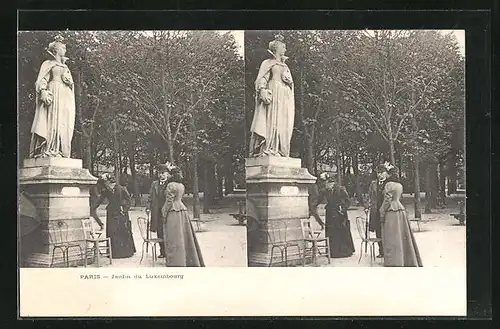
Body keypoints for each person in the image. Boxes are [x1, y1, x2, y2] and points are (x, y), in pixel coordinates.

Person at [29, 35, 76, 158]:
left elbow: (70, 83)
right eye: (63, 48)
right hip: (53, 93)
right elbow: (42, 80)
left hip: (65, 97)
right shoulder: (48, 64)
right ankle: (49, 148)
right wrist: (43, 91)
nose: (65, 50)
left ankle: (60, 149)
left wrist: (70, 83)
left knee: (63, 123)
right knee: (52, 121)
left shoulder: (66, 67)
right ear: (56, 50)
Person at [248, 34, 295, 157]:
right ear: (277, 48)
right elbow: (262, 78)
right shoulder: (268, 63)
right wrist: (262, 90)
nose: (285, 50)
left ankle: (279, 149)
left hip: (284, 96)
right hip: (273, 93)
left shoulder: (285, 66)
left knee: (282, 122)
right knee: (271, 120)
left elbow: (290, 82)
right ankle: (268, 147)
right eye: (283, 47)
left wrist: (289, 82)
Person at [379, 163, 423, 267]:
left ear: (389, 174)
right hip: (400, 211)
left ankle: (394, 261)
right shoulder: (399, 185)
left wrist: (382, 212)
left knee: (391, 237)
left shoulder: (388, 184)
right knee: (401, 236)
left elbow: (387, 200)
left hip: (391, 212)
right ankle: (404, 259)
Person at [161, 165, 205, 267]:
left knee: (174, 237)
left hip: (173, 211)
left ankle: (175, 261)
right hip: (182, 210)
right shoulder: (181, 185)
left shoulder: (170, 185)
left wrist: (164, 212)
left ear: (171, 175)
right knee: (184, 236)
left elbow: (169, 202)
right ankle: (186, 259)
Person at [94, 173, 136, 259]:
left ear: (110, 182)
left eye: (106, 183)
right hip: (111, 214)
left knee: (122, 232)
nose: (105, 186)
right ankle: (113, 253)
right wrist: (92, 207)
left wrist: (124, 210)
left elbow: (128, 201)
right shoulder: (106, 191)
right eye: (104, 184)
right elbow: (99, 201)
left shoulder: (122, 189)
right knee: (112, 232)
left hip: (121, 214)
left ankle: (125, 252)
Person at [324, 175, 355, 258]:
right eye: (326, 184)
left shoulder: (341, 189)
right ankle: (332, 252)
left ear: (332, 183)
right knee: (331, 232)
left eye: (327, 184)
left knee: (341, 232)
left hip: (340, 214)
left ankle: (344, 252)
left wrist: (343, 209)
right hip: (330, 214)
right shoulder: (326, 190)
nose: (326, 186)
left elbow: (348, 201)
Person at [146, 163, 172, 258]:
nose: (161, 175)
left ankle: (170, 252)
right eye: (159, 173)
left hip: (167, 211)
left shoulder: (170, 184)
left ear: (167, 174)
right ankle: (163, 252)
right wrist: (148, 207)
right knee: (159, 231)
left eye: (163, 173)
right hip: (156, 211)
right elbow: (150, 197)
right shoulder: (154, 184)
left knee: (168, 231)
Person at [366, 164, 389, 258]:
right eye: (378, 173)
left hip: (386, 211)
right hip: (375, 211)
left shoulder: (389, 183)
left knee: (387, 231)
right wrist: (367, 206)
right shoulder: (373, 183)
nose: (380, 175)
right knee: (378, 231)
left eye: (382, 173)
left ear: (386, 173)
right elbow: (369, 196)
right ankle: (381, 251)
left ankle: (388, 251)